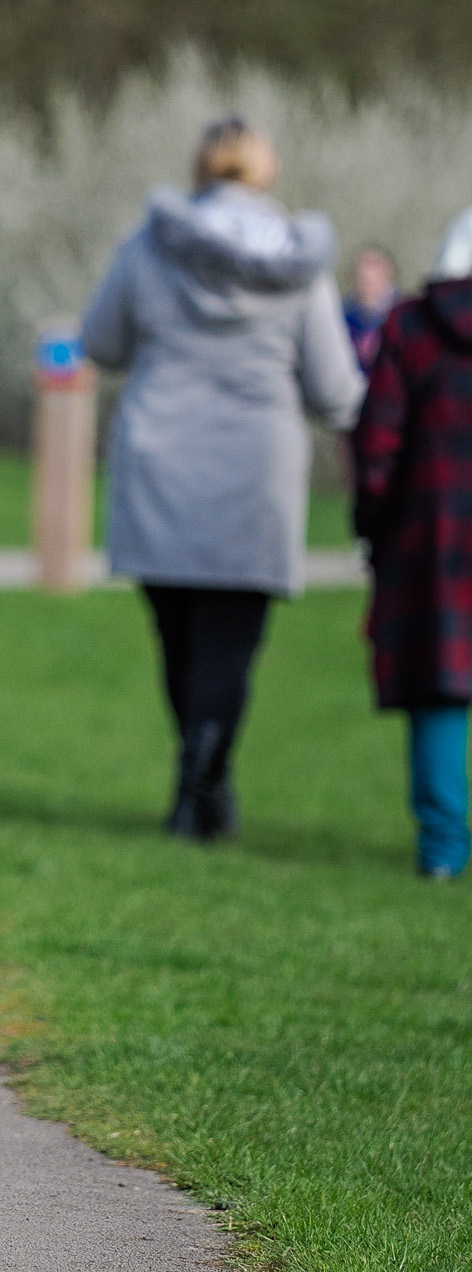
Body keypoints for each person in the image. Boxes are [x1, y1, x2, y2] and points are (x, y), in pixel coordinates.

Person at [81, 115, 364, 840]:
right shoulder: (301, 264)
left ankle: (196, 777)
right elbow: (335, 389)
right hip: (255, 465)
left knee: (178, 634)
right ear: (266, 170)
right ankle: (204, 775)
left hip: (160, 456)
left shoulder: (149, 245)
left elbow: (101, 343)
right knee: (232, 640)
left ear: (202, 166)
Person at [353, 206, 472, 878]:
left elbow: (378, 445)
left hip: (435, 537)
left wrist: (374, 525)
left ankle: (444, 851)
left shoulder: (411, 327)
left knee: (441, 692)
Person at [343, 245, 401, 372]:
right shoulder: (341, 313)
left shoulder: (404, 313)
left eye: (374, 265)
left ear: (390, 272)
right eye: (362, 265)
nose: (366, 272)